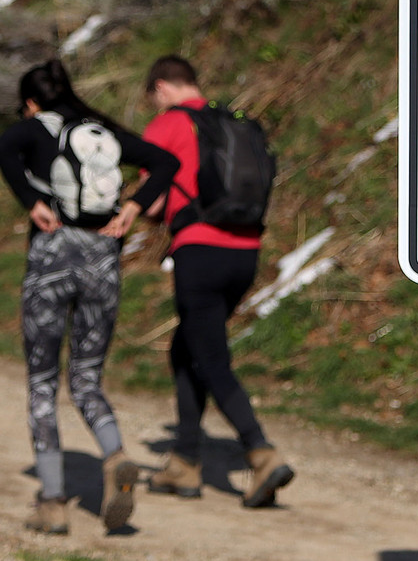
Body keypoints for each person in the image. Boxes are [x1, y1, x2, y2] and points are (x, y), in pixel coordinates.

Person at [0, 58, 180, 535]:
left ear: (32, 103)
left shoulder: (34, 129)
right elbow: (165, 162)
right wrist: (134, 208)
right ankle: (115, 454)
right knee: (87, 378)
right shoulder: (103, 131)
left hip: (52, 260)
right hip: (102, 262)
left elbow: (2, 148)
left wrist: (30, 201)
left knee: (42, 382)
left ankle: (53, 502)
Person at [141, 54, 294, 507]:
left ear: (162, 88)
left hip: (199, 252)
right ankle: (184, 462)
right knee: (186, 349)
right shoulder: (230, 120)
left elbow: (152, 203)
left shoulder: (168, 125)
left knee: (210, 359)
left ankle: (261, 453)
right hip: (244, 254)